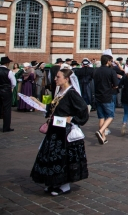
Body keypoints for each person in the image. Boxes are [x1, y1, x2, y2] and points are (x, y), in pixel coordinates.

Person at [30, 68, 89, 196]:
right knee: (51, 157)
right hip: (54, 129)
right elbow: (52, 108)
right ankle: (53, 182)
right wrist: (37, 103)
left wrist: (72, 119)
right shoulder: (60, 92)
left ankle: (64, 185)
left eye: (58, 77)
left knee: (63, 158)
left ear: (66, 79)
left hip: (64, 132)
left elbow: (83, 109)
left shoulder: (71, 93)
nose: (55, 79)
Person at [93, 54, 119, 145]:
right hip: (107, 95)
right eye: (111, 61)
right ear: (108, 61)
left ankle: (103, 137)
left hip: (98, 95)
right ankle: (101, 131)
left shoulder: (96, 71)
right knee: (110, 116)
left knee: (101, 117)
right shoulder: (111, 71)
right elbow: (116, 85)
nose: (111, 62)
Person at [0, 56, 17, 132]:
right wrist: (10, 87)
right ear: (7, 63)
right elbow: (14, 83)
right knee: (7, 109)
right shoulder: (8, 71)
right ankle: (6, 127)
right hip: (6, 91)